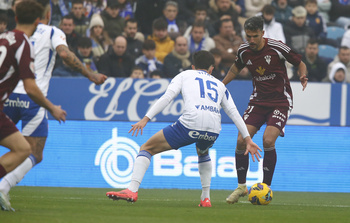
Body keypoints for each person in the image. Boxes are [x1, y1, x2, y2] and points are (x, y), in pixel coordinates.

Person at [105, 50, 262, 207]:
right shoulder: (220, 85)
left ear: (193, 66)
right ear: (212, 68)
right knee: (203, 151)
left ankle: (132, 189)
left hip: (190, 124)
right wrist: (247, 138)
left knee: (146, 148)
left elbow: (167, 97)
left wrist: (146, 118)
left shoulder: (185, 75)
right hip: (213, 129)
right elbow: (233, 113)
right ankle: (205, 198)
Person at [0, 0, 107, 211]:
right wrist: (90, 74)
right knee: (34, 152)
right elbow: (65, 55)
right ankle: (4, 186)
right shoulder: (52, 32)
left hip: (7, 96)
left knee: (17, 147)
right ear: (45, 15)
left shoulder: (9, 35)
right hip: (33, 98)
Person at [222, 16, 308, 204]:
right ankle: (241, 187)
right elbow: (235, 69)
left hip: (280, 101)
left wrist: (302, 75)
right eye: (248, 36)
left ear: (262, 33)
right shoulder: (244, 50)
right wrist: (220, 86)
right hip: (258, 101)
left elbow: (300, 62)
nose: (251, 40)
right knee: (240, 140)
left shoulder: (278, 47)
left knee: (268, 139)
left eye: (255, 36)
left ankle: (265, 187)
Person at [0, 0, 67, 211]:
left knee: (22, 148)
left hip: (5, 103)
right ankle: (3, 186)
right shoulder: (24, 43)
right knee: (27, 150)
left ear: (15, 17)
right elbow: (30, 86)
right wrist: (52, 107)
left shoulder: (3, 37)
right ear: (39, 20)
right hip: (27, 101)